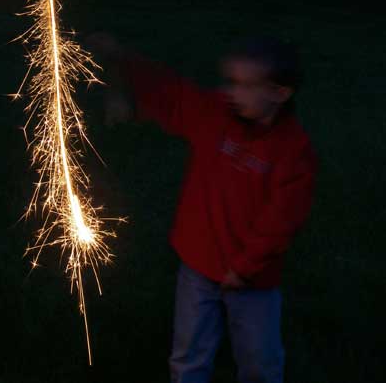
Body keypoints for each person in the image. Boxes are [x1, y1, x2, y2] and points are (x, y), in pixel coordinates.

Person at [87, 33, 318, 383]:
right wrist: (123, 59)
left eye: (245, 85)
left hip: (254, 281)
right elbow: (173, 93)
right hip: (198, 266)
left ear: (279, 93)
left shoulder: (293, 153)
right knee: (189, 353)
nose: (231, 92)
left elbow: (281, 222)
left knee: (259, 360)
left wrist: (243, 269)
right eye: (231, 82)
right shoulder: (216, 114)